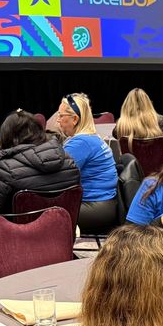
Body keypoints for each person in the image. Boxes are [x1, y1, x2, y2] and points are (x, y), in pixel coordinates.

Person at [0, 110, 80, 215]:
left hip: (19, 230)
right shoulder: (69, 161)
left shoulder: (6, 170)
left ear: (7, 137)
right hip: (63, 228)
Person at [57, 93, 120, 233]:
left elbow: (57, 178)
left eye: (61, 116)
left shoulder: (80, 143)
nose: (57, 120)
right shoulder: (92, 137)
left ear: (74, 119)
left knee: (42, 212)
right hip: (106, 205)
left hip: (94, 207)